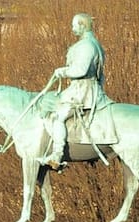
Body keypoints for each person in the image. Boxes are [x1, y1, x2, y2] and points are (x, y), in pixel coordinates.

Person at [45, 13, 108, 170]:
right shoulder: (96, 45)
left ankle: (57, 155)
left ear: (82, 25)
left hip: (82, 91)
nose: (72, 29)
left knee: (57, 117)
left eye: (74, 25)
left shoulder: (86, 46)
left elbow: (80, 70)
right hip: (87, 88)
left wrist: (62, 71)